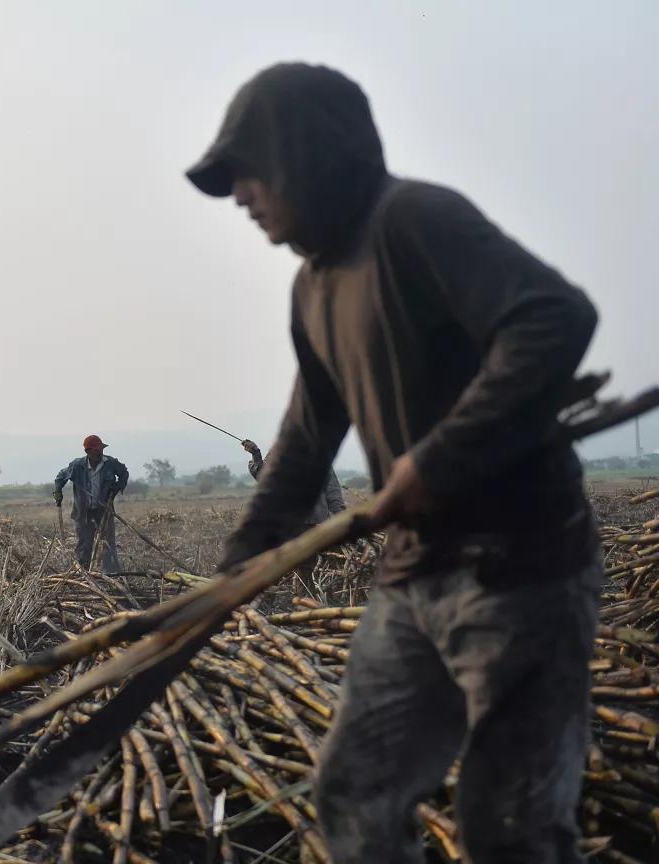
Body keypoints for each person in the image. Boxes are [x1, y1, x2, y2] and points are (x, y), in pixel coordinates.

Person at [188, 64, 600, 863]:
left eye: (249, 171)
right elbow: (304, 445)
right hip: (413, 577)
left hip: (519, 570)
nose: (241, 196)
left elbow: (554, 317)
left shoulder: (414, 220)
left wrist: (436, 463)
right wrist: (231, 574)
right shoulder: (312, 289)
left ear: (304, 154)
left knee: (508, 827)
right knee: (354, 794)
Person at [241, 438, 345, 587]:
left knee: (313, 564)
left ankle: (309, 598)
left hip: (315, 521)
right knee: (281, 563)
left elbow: (332, 489)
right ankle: (277, 597)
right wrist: (256, 454)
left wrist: (340, 514)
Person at [53, 435, 129, 573]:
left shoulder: (110, 463)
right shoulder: (77, 466)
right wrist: (58, 494)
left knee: (108, 544)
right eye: (96, 451)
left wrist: (118, 487)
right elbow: (60, 478)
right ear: (87, 452)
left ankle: (111, 575)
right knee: (84, 545)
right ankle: (83, 575)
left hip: (104, 510)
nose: (100, 453)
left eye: (101, 449)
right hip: (83, 513)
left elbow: (124, 473)